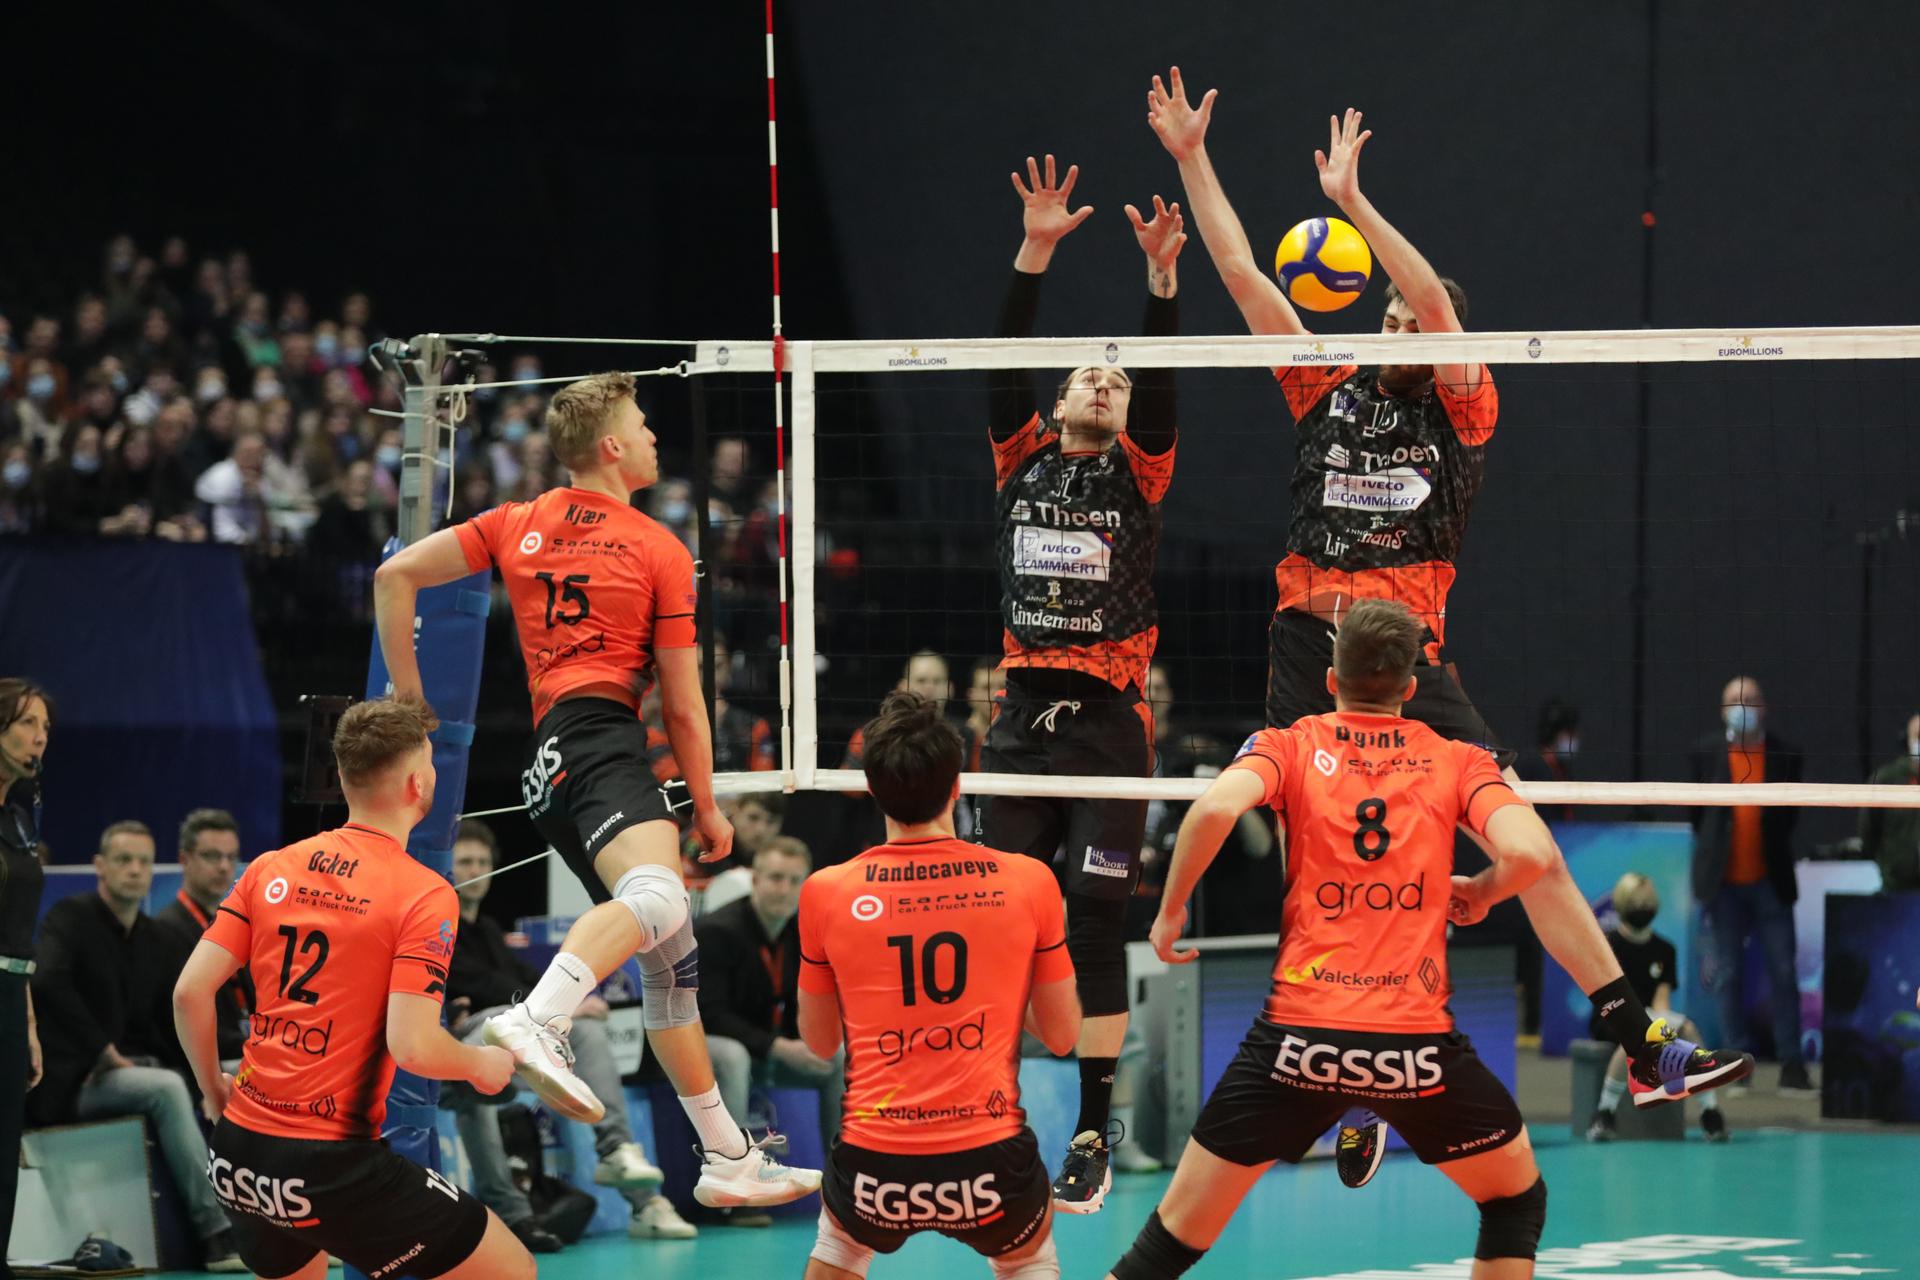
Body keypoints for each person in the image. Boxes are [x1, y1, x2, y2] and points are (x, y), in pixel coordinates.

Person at [1145, 67, 1747, 1167]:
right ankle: (1353, 1086)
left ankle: (1643, 1045)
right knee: (1327, 874)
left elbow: (1429, 302)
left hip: (1413, 658)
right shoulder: (1324, 386)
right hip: (1308, 651)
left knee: (1530, 847)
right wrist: (1192, 157)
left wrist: (1354, 205)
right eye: (1383, 315)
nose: (1398, 327)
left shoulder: (1466, 405)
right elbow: (1237, 273)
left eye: (1413, 318)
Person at [1105, 601, 1745, 1280]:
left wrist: (1170, 911)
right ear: (1413, 687)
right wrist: (1485, 889)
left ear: (1330, 679)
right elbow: (1532, 854)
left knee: (1166, 1248)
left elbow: (1214, 807)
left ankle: (1359, 1113)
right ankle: (1631, 1046)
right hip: (1414, 1054)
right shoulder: (1455, 759)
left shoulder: (1289, 744)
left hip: (1294, 1045)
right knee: (1514, 1203)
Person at [371, 369, 817, 1206]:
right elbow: (684, 706)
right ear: (612, 445)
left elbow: (393, 577)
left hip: (546, 765)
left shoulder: (517, 520)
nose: (654, 436)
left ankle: (727, 1156)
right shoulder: (658, 547)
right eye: (643, 425)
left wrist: (409, 699)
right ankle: (538, 1019)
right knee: (660, 899)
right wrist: (708, 807)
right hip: (603, 740)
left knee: (671, 966)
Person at [978, 152, 1185, 1211]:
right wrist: (1035, 251)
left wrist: (1161, 282)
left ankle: (1094, 1135)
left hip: (1108, 728)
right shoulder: (1019, 456)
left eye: (1119, 379)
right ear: (1058, 399)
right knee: (1006, 917)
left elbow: (1167, 375)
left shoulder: (1139, 472)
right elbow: (1001, 358)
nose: (1104, 382)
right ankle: (990, 1114)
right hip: (1020, 724)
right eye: (1087, 376)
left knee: (1096, 920)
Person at [171, 696, 535, 1279]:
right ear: (419, 782)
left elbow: (189, 993)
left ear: (342, 779)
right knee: (514, 1271)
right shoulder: (423, 893)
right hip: (331, 1161)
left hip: (239, 1150)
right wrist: (479, 1065)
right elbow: (413, 1046)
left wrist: (213, 1090)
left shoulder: (270, 867)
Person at [797, 692, 1082, 1278]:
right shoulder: (1028, 881)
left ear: (871, 788)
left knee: (840, 1247)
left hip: (876, 1163)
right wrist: (998, 981)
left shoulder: (826, 891)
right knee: (1029, 1261)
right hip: (990, 1162)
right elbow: (1062, 1034)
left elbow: (820, 1043)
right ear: (957, 786)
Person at [443, 820, 694, 1245]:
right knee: (492, 1057)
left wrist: (568, 1001)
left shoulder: (487, 930)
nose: (476, 870)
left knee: (588, 1034)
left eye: (483, 862)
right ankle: (514, 1216)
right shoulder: (440, 925)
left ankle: (628, 1172)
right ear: (448, 869)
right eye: (466, 861)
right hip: (463, 1038)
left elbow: (521, 978)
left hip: (512, 1028)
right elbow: (482, 983)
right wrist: (558, 1003)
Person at [30, 821, 244, 1272]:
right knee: (165, 1087)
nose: (135, 870)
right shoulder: (70, 917)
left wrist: (208, 1077)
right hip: (76, 1080)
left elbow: (171, 1021)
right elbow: (48, 983)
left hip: (136, 1069)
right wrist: (102, 1050)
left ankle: (282, 1224)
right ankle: (216, 1235)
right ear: (99, 866)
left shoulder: (154, 939)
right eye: (124, 860)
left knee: (231, 1073)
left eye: (144, 862)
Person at [1689, 676, 1810, 1092]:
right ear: (1722, 711)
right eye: (1734, 702)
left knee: (1784, 973)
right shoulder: (1705, 753)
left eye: (1750, 700)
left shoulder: (1785, 754)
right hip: (1723, 885)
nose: (1742, 708)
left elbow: (1788, 819)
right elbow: (1699, 818)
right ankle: (1736, 1066)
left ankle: (1792, 1065)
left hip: (1770, 883)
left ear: (1764, 707)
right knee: (1727, 975)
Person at [698, 838, 843, 1165]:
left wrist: (809, 1042)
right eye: (776, 878)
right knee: (733, 1057)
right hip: (708, 1047)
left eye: (795, 881)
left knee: (838, 1055)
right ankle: (731, 1171)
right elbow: (711, 1015)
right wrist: (777, 1047)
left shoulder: (803, 931)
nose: (784, 890)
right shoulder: (717, 931)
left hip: (765, 1047)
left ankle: (843, 1171)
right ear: (755, 880)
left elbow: (806, 1002)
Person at [1585, 873, 1727, 1143]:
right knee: (1635, 1034)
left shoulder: (1664, 950)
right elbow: (1606, 996)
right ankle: (1604, 1113)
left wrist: (1665, 1025)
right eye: (1636, 903)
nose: (1642, 908)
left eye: (1647, 903)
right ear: (1622, 905)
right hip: (1611, 1017)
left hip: (1650, 1017)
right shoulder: (1607, 946)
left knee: (1688, 1029)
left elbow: (1662, 1000)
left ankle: (1710, 1112)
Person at [0, 680, 51, 1280]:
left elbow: (18, 936)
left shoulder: (18, 819)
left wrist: (29, 1024)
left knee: (4, 1140)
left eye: (45, 728)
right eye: (26, 723)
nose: (39, 737)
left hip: (11, 996)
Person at [153, 809, 252, 1070]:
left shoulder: (236, 923)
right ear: (184, 859)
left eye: (231, 857)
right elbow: (178, 1019)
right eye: (212, 856)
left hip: (243, 1049)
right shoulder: (165, 930)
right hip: (203, 1061)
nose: (224, 866)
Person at [1859, 712, 1919, 891]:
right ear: (1907, 740)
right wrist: (1890, 866)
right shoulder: (1886, 779)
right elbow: (1868, 834)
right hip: (1897, 887)